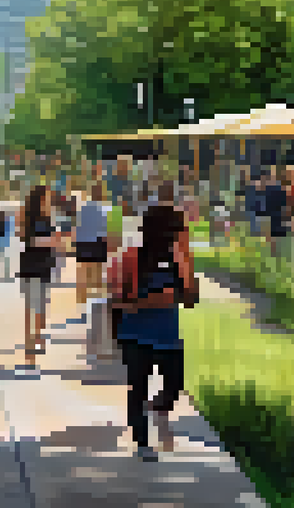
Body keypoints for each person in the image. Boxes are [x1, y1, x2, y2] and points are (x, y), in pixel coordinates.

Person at [109, 186, 198, 462]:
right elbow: (117, 298)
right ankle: (142, 442)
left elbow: (191, 299)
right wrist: (145, 302)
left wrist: (185, 263)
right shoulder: (133, 256)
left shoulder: (179, 259)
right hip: (135, 334)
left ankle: (159, 408)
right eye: (180, 229)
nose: (184, 234)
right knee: (138, 386)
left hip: (168, 336)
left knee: (174, 384)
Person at [18, 185, 61, 371]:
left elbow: (57, 242)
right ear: (40, 200)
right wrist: (49, 240)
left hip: (45, 267)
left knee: (41, 310)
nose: (50, 201)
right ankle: (30, 354)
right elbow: (25, 238)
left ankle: (37, 339)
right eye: (48, 198)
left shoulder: (49, 218)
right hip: (31, 267)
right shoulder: (28, 217)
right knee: (31, 311)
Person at [76, 182, 112, 306]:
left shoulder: (83, 207)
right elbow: (105, 228)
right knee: (96, 274)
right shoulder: (104, 208)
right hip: (97, 242)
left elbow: (77, 226)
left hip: (82, 242)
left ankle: (81, 301)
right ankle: (94, 301)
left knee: (82, 273)